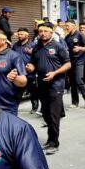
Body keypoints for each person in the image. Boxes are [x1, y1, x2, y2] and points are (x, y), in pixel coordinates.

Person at [26, 22, 71, 154]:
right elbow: (33, 63)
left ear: (51, 32)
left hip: (56, 85)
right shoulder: (37, 47)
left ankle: (54, 142)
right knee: (45, 113)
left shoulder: (58, 47)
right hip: (42, 85)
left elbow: (68, 64)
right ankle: (50, 139)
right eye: (41, 31)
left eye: (46, 31)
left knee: (53, 115)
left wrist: (54, 73)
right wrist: (31, 67)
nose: (43, 33)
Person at [0, 29, 27, 115]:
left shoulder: (14, 56)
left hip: (7, 106)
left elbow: (23, 82)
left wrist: (15, 78)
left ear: (3, 40)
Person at [64, 20, 85, 109]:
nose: (66, 27)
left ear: (73, 26)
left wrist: (79, 48)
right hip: (70, 62)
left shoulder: (80, 35)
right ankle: (75, 102)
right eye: (65, 26)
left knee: (78, 80)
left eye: (68, 25)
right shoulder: (67, 37)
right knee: (72, 82)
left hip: (79, 61)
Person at [12, 28, 39, 114]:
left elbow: (38, 58)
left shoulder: (33, 45)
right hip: (19, 72)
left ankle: (35, 107)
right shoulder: (15, 46)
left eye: (22, 34)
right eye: (19, 34)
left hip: (30, 72)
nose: (20, 36)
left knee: (33, 91)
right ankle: (14, 107)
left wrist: (33, 66)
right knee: (18, 91)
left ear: (27, 35)